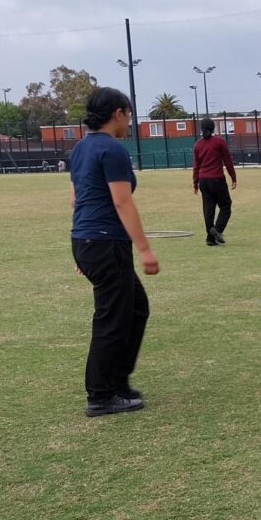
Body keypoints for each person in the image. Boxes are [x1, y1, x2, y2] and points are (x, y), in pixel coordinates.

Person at [70, 87, 159, 417]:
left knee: (135, 307)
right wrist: (146, 250)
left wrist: (82, 245)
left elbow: (76, 199)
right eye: (130, 114)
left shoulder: (81, 148)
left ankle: (117, 382)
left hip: (90, 240)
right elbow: (122, 202)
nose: (130, 121)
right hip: (104, 241)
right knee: (113, 316)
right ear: (118, 113)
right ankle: (101, 394)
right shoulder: (112, 150)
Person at [192, 118, 237, 246]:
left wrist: (195, 183)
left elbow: (196, 166)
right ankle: (217, 230)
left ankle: (210, 239)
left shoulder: (197, 145)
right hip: (217, 179)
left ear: (201, 129)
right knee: (226, 206)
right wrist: (233, 177)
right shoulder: (219, 142)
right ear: (213, 129)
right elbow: (227, 161)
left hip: (203, 181)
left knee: (208, 209)